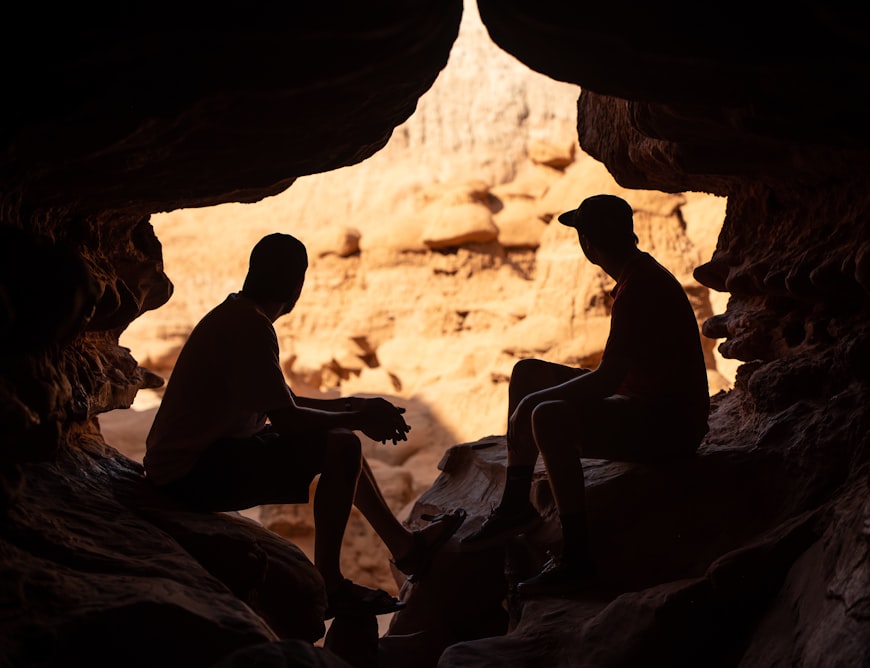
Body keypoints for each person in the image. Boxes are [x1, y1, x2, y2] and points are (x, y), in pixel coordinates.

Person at [144, 232, 465, 617]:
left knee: (338, 439)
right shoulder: (250, 326)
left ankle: (405, 548)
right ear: (297, 287)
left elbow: (280, 404)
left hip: (191, 463)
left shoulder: (237, 315)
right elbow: (288, 418)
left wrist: (354, 405)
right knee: (342, 444)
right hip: (191, 475)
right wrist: (360, 418)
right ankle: (330, 582)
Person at [460, 194, 709, 596]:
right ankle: (515, 504)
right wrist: (536, 396)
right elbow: (613, 377)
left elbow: (607, 380)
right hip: (651, 409)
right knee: (528, 373)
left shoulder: (639, 288)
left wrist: (532, 406)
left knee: (547, 417)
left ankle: (577, 557)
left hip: (668, 429)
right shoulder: (638, 275)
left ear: (588, 244)